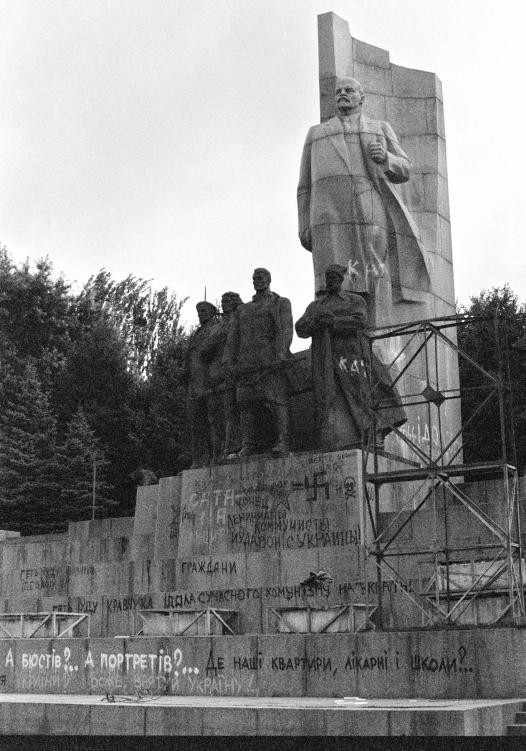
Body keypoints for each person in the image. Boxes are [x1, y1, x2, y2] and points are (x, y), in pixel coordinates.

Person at [297, 77, 429, 324]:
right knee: (332, 276)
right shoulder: (316, 133)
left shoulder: (379, 128)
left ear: (362, 97)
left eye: (349, 90)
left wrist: (386, 158)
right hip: (328, 215)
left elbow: (406, 168)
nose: (343, 94)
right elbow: (304, 186)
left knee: (373, 271)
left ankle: (377, 332)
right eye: (338, 92)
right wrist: (304, 223)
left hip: (368, 205)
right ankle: (333, 332)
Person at [295, 264, 406, 451]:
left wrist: (332, 321)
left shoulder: (354, 300)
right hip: (325, 357)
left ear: (341, 279)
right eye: (328, 277)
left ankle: (373, 433)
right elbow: (300, 328)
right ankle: (333, 439)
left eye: (334, 277)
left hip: (352, 354)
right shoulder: (317, 306)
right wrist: (315, 321)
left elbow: (360, 320)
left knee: (364, 393)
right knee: (326, 400)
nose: (330, 281)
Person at [224, 268, 293, 457]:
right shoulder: (242, 309)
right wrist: (228, 361)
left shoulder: (280, 303)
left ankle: (283, 441)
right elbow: (233, 337)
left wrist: (280, 354)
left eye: (261, 278)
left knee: (277, 401)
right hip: (245, 362)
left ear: (269, 279)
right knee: (245, 404)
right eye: (254, 278)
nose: (257, 281)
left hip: (270, 360)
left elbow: (286, 330)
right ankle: (249, 444)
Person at [200, 291, 244, 461]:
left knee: (231, 412)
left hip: (232, 372)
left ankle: (232, 447)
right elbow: (204, 352)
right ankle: (218, 452)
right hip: (214, 375)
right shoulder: (218, 326)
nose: (224, 303)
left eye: (228, 300)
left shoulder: (238, 321)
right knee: (215, 419)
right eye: (223, 300)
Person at [183, 300, 220, 468]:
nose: (200, 314)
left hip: (210, 381)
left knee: (213, 421)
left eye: (204, 311)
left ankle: (216, 457)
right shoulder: (198, 332)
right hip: (194, 383)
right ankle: (199, 459)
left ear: (212, 311)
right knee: (195, 424)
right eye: (198, 312)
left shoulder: (217, 327)